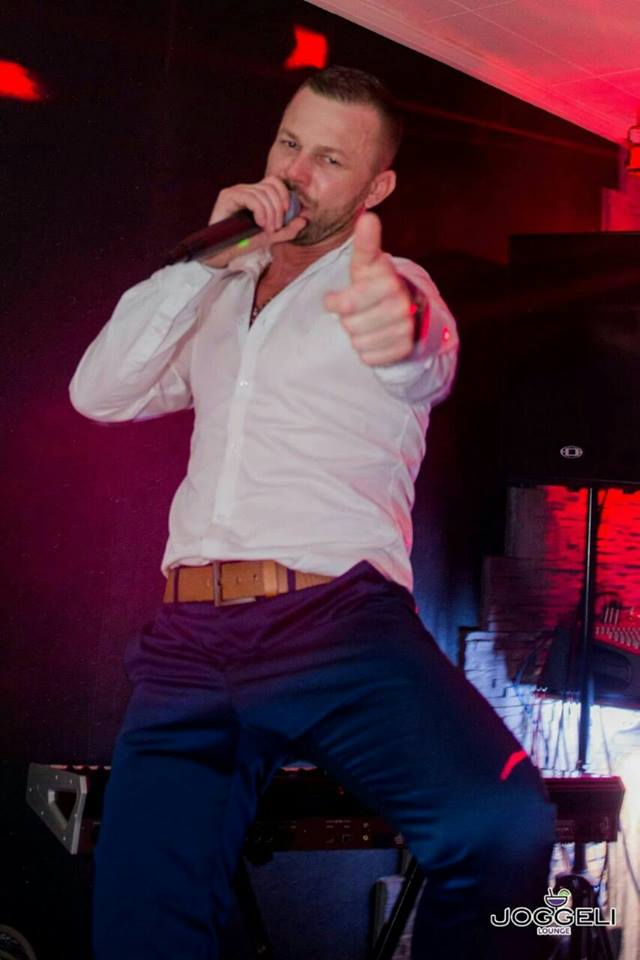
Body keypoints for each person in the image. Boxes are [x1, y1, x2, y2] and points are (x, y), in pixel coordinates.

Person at [70, 66, 555, 960]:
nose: (296, 171)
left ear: (377, 189)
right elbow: (97, 392)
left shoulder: (390, 283)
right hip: (188, 643)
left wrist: (398, 325)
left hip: (335, 626)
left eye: (330, 159)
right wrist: (202, 262)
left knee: (503, 825)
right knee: (140, 927)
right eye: (290, 143)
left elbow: (423, 352)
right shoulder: (217, 292)